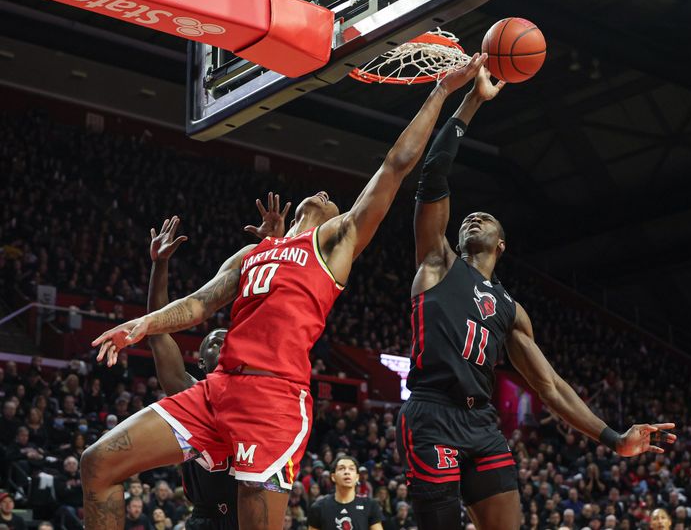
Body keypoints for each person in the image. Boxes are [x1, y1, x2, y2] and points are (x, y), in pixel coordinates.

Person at [83, 53, 487, 530]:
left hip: (273, 399)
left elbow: (395, 166)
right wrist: (141, 324)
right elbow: (198, 304)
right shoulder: (252, 253)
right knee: (98, 463)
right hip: (218, 389)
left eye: (331, 198)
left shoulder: (335, 242)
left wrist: (442, 91)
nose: (322, 194)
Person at [397, 66, 678, 530]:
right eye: (468, 217)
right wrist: (473, 102)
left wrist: (614, 438)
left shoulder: (511, 310)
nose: (472, 219)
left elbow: (550, 388)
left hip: (481, 424)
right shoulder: (437, 262)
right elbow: (433, 171)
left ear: (501, 244)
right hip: (431, 413)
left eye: (484, 218)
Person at [145, 215, 244, 530]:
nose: (223, 344)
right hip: (205, 519)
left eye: (228, 340)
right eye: (214, 343)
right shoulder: (188, 390)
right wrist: (160, 265)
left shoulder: (255, 393)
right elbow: (157, 331)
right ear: (201, 363)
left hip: (249, 517)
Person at [307, 456, 382, 530]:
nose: (347, 472)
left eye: (351, 469)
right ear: (333, 477)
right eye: (341, 468)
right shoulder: (319, 507)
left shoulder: (370, 505)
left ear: (357, 477)